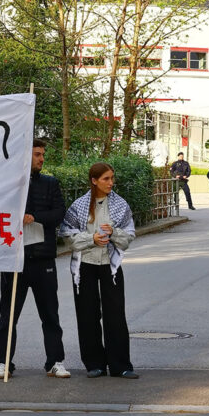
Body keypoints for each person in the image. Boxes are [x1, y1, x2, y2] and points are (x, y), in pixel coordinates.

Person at [0, 139, 68, 380]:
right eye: (37, 154)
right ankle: (3, 362)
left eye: (43, 154)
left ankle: (55, 361)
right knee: (9, 315)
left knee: (50, 314)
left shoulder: (50, 183)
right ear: (25, 156)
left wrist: (35, 217)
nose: (41, 159)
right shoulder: (9, 185)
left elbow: (59, 214)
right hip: (15, 260)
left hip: (43, 258)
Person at [60, 162, 138, 379]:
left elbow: (129, 235)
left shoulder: (120, 205)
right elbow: (67, 236)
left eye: (112, 178)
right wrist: (91, 239)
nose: (111, 183)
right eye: (106, 179)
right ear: (94, 180)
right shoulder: (78, 206)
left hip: (110, 267)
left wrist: (114, 233)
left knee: (115, 316)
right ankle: (94, 364)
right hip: (85, 266)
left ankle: (120, 365)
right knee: (87, 315)